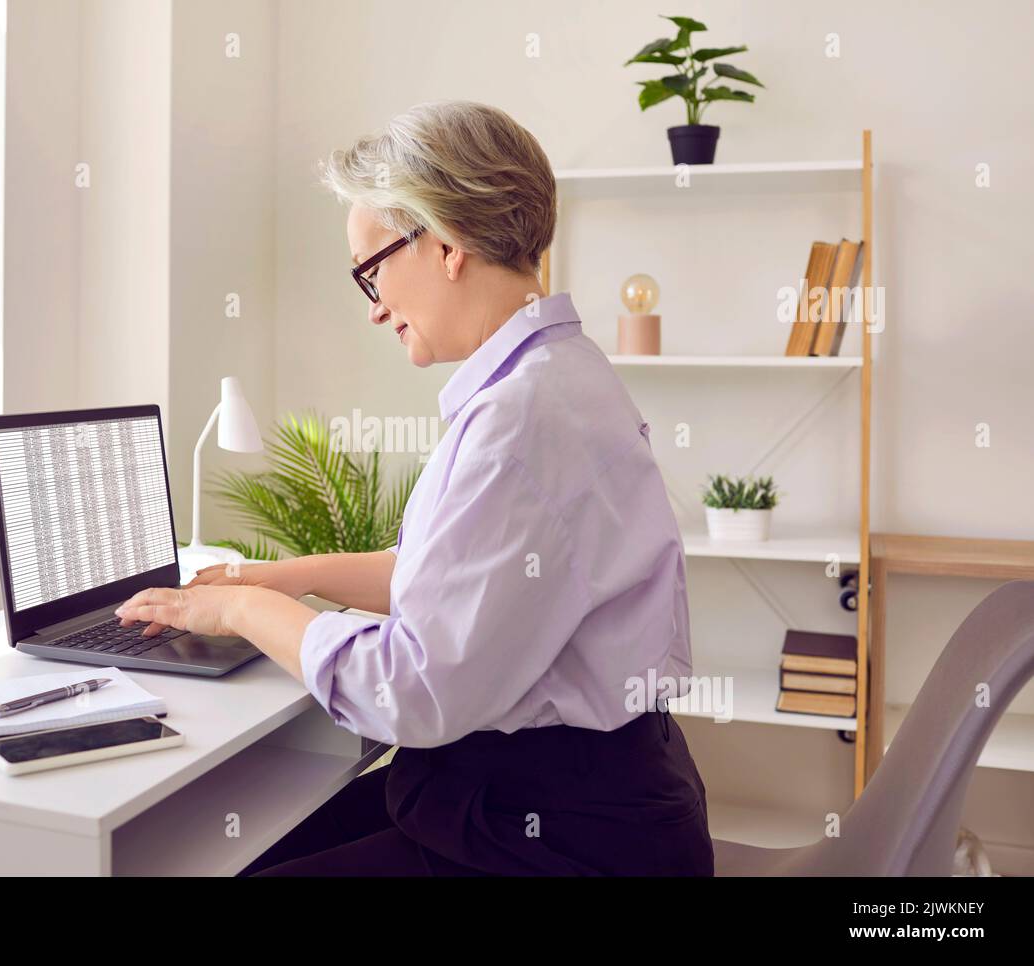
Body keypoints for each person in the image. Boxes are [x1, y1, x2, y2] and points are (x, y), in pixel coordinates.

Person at [116, 100, 713, 876]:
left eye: (371, 271)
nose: (373, 310)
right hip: (569, 796)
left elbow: (411, 689)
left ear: (444, 243)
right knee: (252, 845)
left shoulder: (521, 419)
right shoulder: (554, 375)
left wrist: (242, 608)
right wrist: (278, 577)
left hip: (557, 838)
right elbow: (447, 578)